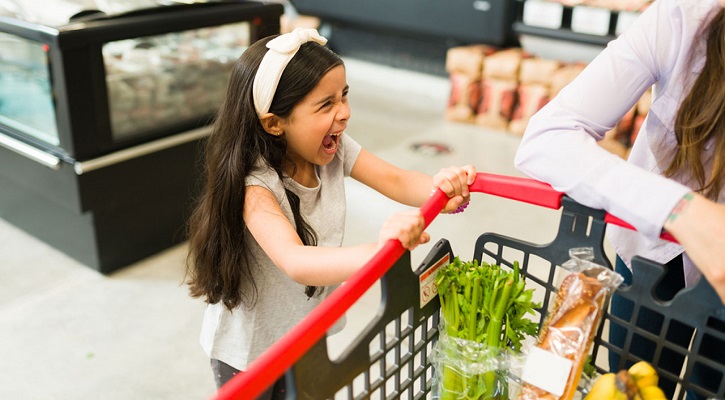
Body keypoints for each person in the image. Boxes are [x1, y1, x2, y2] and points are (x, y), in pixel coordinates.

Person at [184, 28, 477, 398]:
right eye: (326, 105)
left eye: (344, 96)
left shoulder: (333, 152)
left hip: (307, 332)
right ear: (275, 123)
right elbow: (296, 261)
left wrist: (443, 189)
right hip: (250, 352)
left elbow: (396, 178)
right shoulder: (255, 186)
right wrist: (381, 250)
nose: (345, 113)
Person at [514, 0, 725, 398]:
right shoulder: (684, 17)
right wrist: (679, 208)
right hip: (656, 254)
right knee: (634, 381)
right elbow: (547, 138)